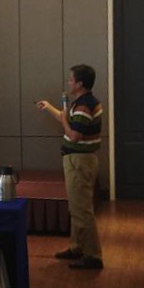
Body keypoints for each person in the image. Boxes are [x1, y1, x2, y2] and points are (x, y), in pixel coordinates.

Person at [37, 64, 104, 269]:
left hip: (79, 161)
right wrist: (49, 107)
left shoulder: (84, 106)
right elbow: (66, 119)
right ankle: (77, 247)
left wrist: (65, 122)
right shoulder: (83, 103)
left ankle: (92, 255)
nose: (69, 82)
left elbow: (74, 135)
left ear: (80, 84)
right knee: (76, 207)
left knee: (82, 210)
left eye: (71, 79)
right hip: (78, 160)